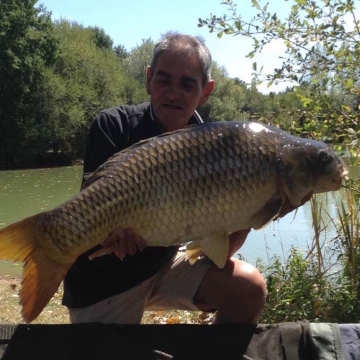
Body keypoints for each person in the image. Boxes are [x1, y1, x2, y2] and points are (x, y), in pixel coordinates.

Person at [62, 31, 267, 325]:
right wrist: (111, 234)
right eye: (163, 80)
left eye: (187, 84)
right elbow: (91, 217)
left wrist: (251, 211)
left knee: (249, 288)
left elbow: (216, 254)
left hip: (165, 266)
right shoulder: (113, 126)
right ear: (148, 79)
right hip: (104, 283)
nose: (173, 92)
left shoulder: (214, 150)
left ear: (206, 91)